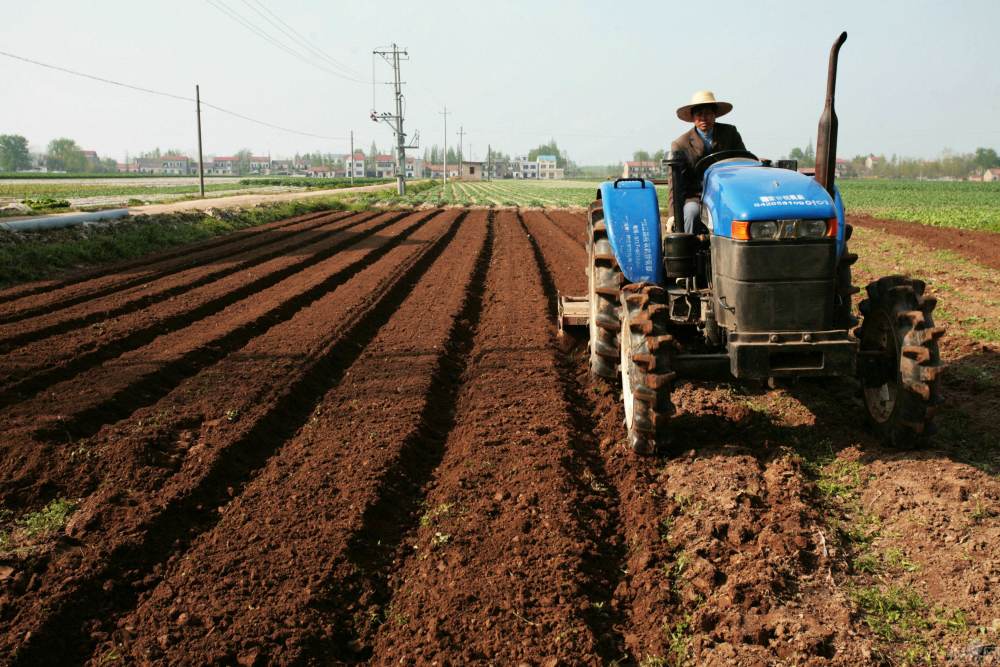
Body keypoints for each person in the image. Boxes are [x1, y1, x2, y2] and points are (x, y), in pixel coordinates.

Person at [670, 91, 746, 234]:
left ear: (715, 115)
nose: (704, 118)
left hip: (727, 193)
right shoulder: (680, 144)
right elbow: (675, 184)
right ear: (693, 117)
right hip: (697, 197)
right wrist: (672, 215)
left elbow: (743, 161)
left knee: (745, 214)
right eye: (699, 114)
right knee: (691, 214)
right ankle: (689, 253)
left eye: (708, 114)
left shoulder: (730, 133)